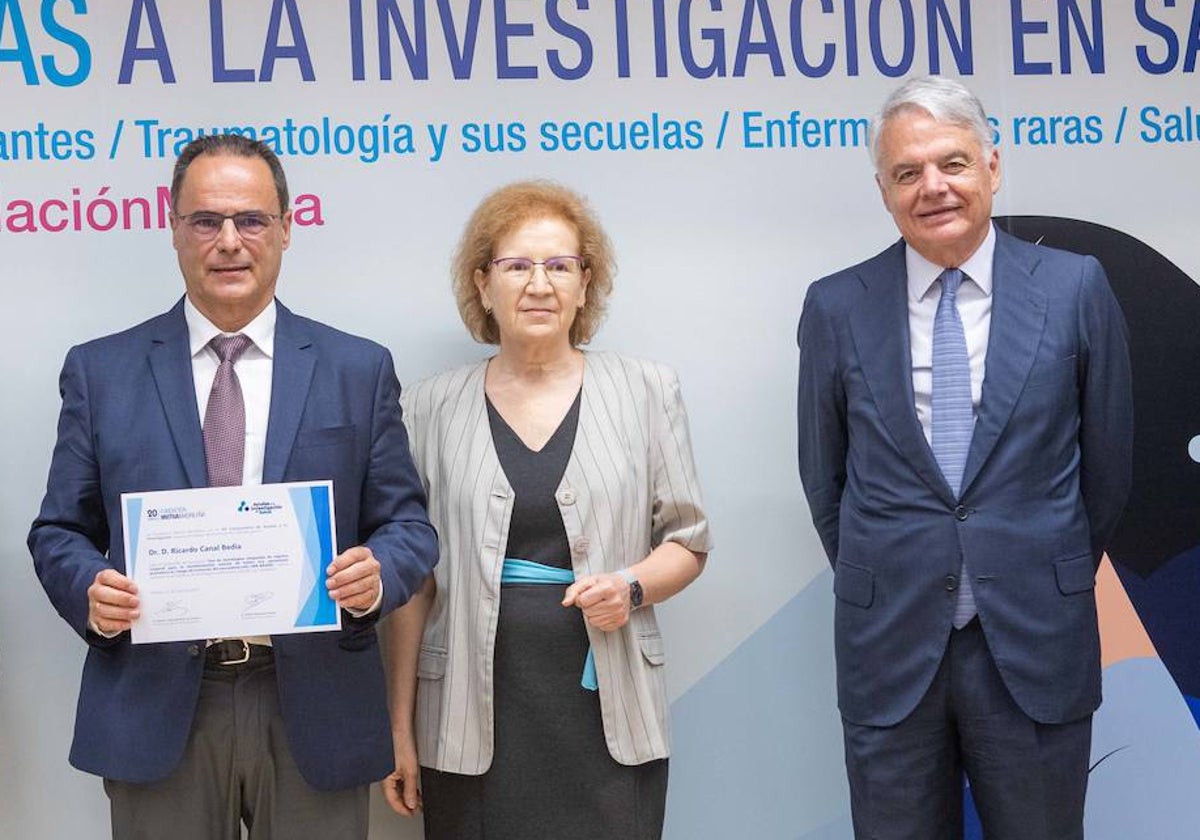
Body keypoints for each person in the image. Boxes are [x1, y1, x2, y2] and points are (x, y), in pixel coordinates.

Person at [27, 134, 437, 840]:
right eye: (206, 221)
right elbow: (58, 530)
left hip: (315, 701)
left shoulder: (357, 368)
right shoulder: (101, 371)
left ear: (285, 228)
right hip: (157, 705)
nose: (228, 241)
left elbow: (408, 527)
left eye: (250, 219)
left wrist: (381, 575)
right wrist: (90, 589)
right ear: (173, 227)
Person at [796, 76, 1133, 839]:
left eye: (951, 163)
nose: (932, 187)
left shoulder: (1075, 288)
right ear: (883, 190)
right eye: (907, 173)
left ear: (992, 166)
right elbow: (826, 479)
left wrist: (1043, 569)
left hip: (1035, 640)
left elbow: (1107, 470)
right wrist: (892, 571)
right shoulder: (836, 306)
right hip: (891, 650)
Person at [382, 180, 711, 839]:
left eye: (560, 266)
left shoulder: (646, 390)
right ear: (481, 285)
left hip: (606, 708)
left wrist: (633, 585)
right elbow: (414, 584)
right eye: (517, 266)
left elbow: (689, 540)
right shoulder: (425, 408)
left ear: (586, 284)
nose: (540, 284)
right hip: (466, 721)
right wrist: (399, 730)